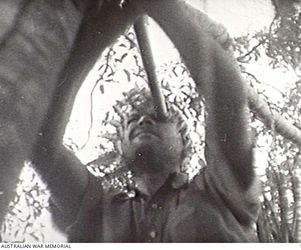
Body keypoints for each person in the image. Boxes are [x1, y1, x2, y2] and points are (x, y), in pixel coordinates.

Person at [32, 0, 260, 242]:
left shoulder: (218, 191)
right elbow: (40, 139)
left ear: (184, 143)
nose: (142, 120)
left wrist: (160, 6)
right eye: (131, 121)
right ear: (120, 147)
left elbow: (227, 99)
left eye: (157, 117)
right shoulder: (99, 210)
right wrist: (111, 24)